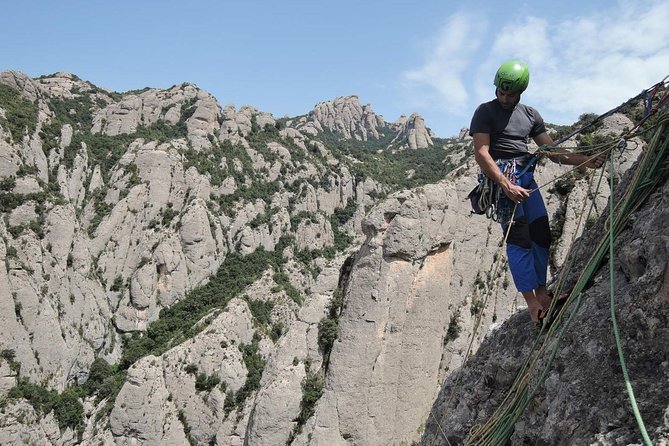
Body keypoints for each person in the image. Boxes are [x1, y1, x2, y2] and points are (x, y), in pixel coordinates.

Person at [469, 60, 604, 325]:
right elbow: (482, 153)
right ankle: (533, 305)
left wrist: (584, 159)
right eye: (501, 93)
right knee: (519, 239)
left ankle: (544, 295)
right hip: (503, 179)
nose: (505, 98)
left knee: (541, 235)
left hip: (526, 178)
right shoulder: (485, 111)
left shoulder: (530, 115)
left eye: (510, 94)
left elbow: (552, 151)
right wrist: (506, 186)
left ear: (521, 92)